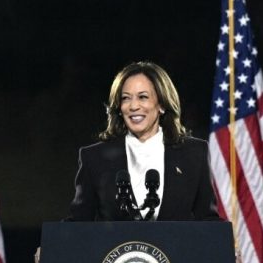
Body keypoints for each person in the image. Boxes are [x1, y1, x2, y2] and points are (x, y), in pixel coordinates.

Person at [66, 61, 220, 221]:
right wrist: (50, 245)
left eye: (143, 97)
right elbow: (78, 223)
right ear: (119, 107)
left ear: (161, 104)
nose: (133, 106)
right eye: (126, 98)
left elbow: (208, 221)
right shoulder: (94, 158)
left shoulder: (194, 153)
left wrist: (226, 245)